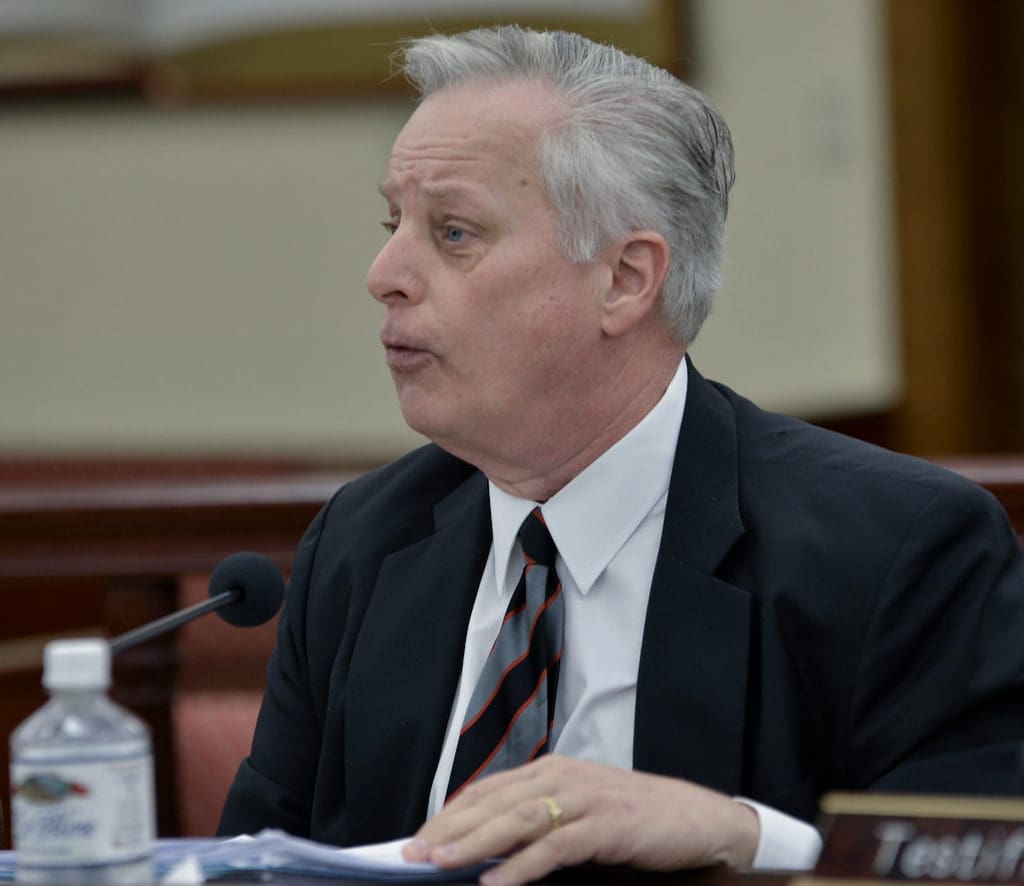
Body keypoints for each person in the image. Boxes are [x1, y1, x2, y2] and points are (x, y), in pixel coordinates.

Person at [218, 24, 1024, 885]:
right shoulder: (365, 543)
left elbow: (980, 861)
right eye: (394, 223)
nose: (384, 271)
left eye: (453, 232)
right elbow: (252, 863)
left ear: (625, 279)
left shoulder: (897, 547)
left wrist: (746, 837)